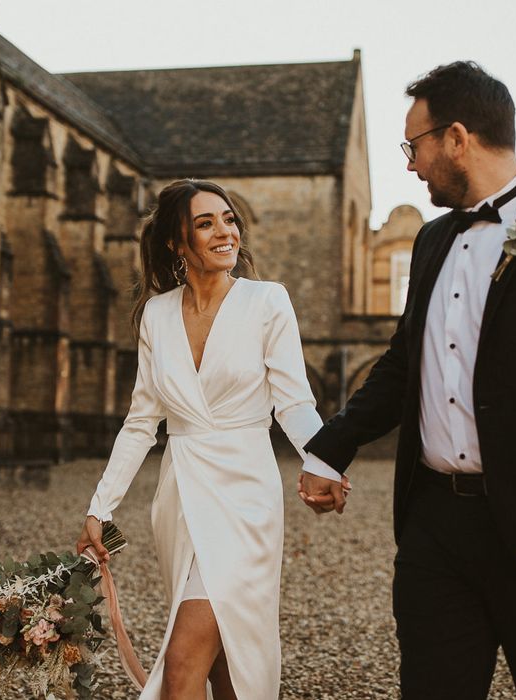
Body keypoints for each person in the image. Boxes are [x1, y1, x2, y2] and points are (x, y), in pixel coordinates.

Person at [298, 61, 516, 700]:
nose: (409, 165)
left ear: (456, 138)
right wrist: (330, 446)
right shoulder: (429, 241)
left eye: (413, 146)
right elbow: (402, 362)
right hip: (435, 531)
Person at [76, 179, 340, 699]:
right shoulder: (156, 314)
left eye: (229, 219)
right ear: (177, 243)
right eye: (206, 223)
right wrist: (100, 507)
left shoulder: (267, 302)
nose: (225, 232)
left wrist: (326, 462)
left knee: (182, 662)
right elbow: (140, 421)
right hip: (180, 497)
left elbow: (293, 402)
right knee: (225, 667)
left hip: (245, 496)